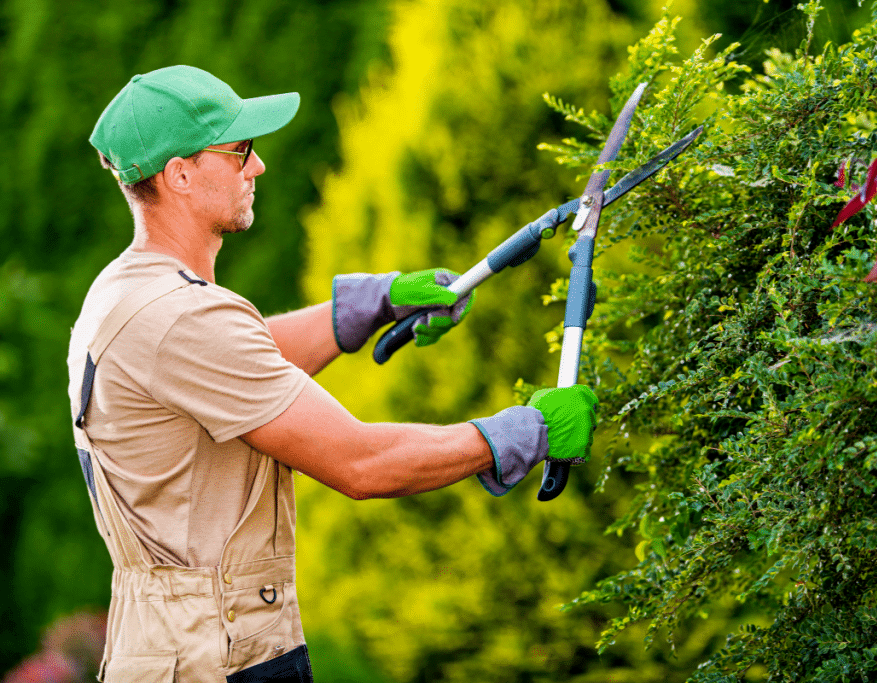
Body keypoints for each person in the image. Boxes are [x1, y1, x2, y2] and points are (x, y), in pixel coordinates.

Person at [68, 65, 598, 683]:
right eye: (239, 151)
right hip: (219, 660)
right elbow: (361, 464)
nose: (257, 167)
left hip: (178, 647)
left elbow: (242, 361)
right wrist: (523, 433)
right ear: (179, 174)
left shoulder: (128, 294)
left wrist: (372, 302)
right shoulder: (180, 316)